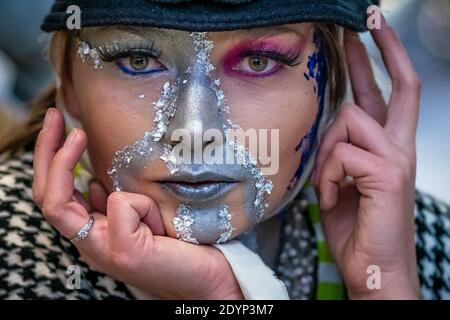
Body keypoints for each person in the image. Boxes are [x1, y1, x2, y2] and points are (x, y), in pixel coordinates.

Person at [0, 0, 449, 300]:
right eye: (137, 60)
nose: (195, 133)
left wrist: (386, 287)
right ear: (68, 82)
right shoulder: (13, 261)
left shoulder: (427, 245)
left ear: (334, 84)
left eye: (260, 61)